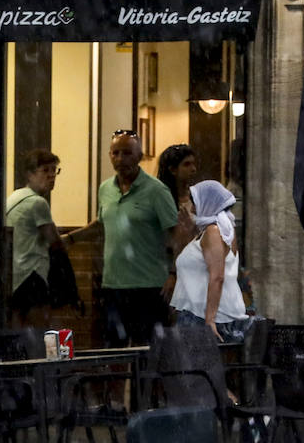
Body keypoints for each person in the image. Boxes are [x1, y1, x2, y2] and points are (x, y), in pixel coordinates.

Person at [65, 130, 179, 346]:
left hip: (149, 286)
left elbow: (177, 235)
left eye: (127, 153)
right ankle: (119, 382)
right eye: (115, 153)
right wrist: (70, 239)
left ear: (139, 156)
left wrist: (174, 273)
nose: (120, 159)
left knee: (147, 354)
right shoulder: (106, 189)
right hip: (114, 286)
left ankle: (142, 382)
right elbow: (101, 224)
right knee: (114, 353)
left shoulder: (156, 191)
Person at [169, 180, 253, 343]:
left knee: (194, 367)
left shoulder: (214, 231)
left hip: (202, 318)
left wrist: (210, 320)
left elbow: (217, 276)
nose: (191, 205)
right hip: (197, 314)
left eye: (194, 200)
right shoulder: (213, 230)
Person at [6, 149, 65, 329]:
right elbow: (54, 241)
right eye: (45, 170)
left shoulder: (14, 197)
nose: (51, 176)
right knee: (40, 330)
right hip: (33, 274)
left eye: (54, 170)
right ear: (30, 174)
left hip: (15, 275)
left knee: (18, 329)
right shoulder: (38, 202)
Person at [157, 143, 199, 253]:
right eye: (187, 164)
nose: (193, 169)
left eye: (193, 164)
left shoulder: (197, 197)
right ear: (173, 170)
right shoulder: (161, 199)